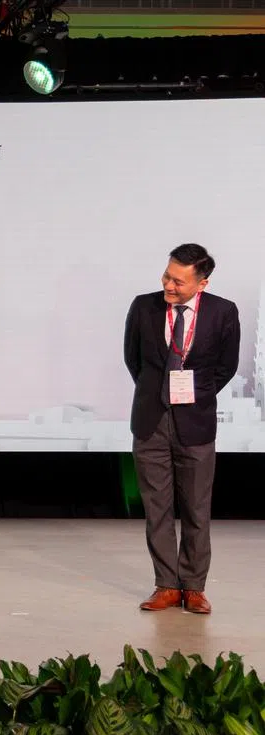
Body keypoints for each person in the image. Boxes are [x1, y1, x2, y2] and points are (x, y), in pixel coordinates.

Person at [125, 243, 239, 615]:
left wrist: (194, 396)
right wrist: (157, 393)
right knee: (157, 508)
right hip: (150, 420)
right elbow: (134, 359)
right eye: (166, 276)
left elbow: (226, 367)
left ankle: (194, 587)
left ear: (201, 283)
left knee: (196, 508)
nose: (168, 286)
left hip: (196, 422)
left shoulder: (223, 312)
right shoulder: (144, 306)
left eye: (178, 281)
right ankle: (166, 585)